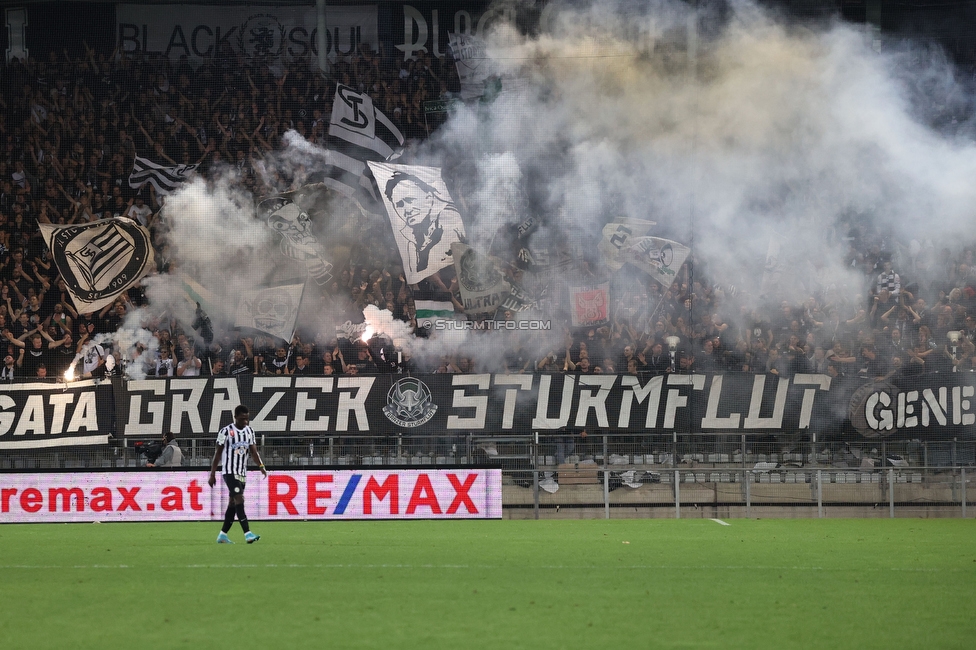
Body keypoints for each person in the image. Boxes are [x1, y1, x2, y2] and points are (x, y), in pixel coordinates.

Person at [208, 405, 267, 544]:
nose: (245, 422)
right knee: (240, 499)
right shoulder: (225, 431)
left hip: (242, 473)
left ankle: (222, 535)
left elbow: (253, 452)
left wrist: (261, 466)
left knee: (233, 504)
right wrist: (212, 474)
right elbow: (218, 454)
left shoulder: (250, 431)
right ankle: (248, 534)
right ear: (235, 417)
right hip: (229, 472)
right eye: (242, 419)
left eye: (247, 419)